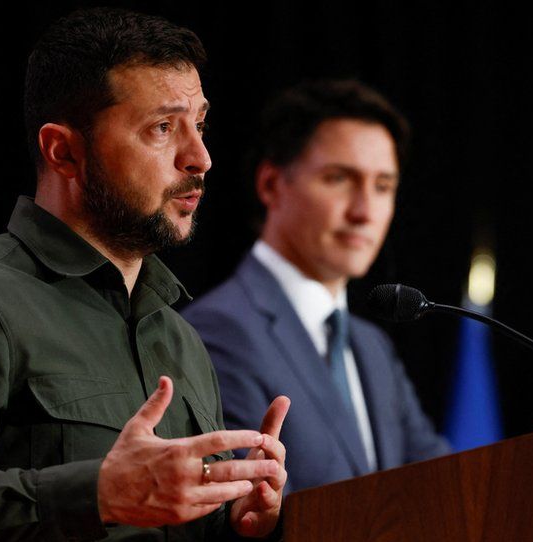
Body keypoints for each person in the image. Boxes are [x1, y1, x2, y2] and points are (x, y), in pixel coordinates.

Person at [0, 8, 288, 542]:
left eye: (198, 124)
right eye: (162, 128)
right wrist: (97, 495)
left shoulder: (181, 340)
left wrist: (243, 520)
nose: (200, 158)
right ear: (64, 151)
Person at [182, 80, 450, 493]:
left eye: (383, 186)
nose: (365, 211)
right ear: (271, 184)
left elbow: (444, 485)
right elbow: (246, 512)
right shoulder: (217, 332)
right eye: (340, 178)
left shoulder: (371, 345)